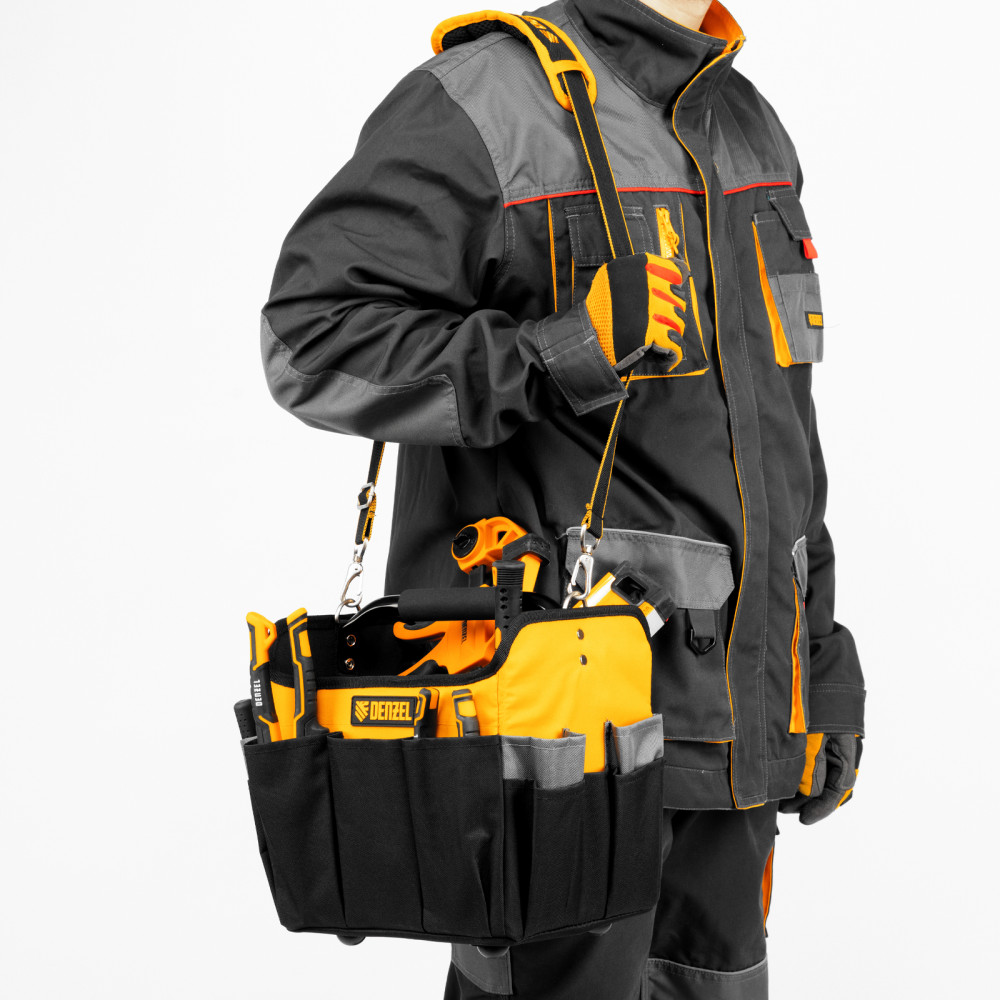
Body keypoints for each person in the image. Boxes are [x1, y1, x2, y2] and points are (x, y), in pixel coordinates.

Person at [260, 1, 866, 996]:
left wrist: (819, 661)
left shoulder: (744, 121)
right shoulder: (484, 105)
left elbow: (781, 437)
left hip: (734, 731)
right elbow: (309, 342)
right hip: (555, 741)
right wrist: (559, 351)